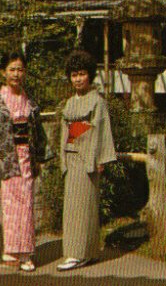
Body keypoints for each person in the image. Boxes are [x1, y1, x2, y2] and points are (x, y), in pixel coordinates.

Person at [0, 52, 49, 272]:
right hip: (7, 160)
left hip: (26, 158)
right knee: (11, 207)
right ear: (3, 72)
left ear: (25, 72)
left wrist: (40, 157)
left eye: (20, 69)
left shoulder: (30, 100)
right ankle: (12, 249)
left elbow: (38, 132)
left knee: (27, 206)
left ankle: (26, 253)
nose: (16, 74)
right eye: (12, 69)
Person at [56, 50, 116, 272]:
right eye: (73, 75)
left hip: (88, 158)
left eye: (81, 74)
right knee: (73, 207)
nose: (78, 79)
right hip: (71, 157)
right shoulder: (70, 103)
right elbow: (65, 132)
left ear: (90, 75)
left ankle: (80, 253)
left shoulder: (97, 101)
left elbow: (101, 130)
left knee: (84, 206)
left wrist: (100, 158)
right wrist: (63, 155)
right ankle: (82, 251)